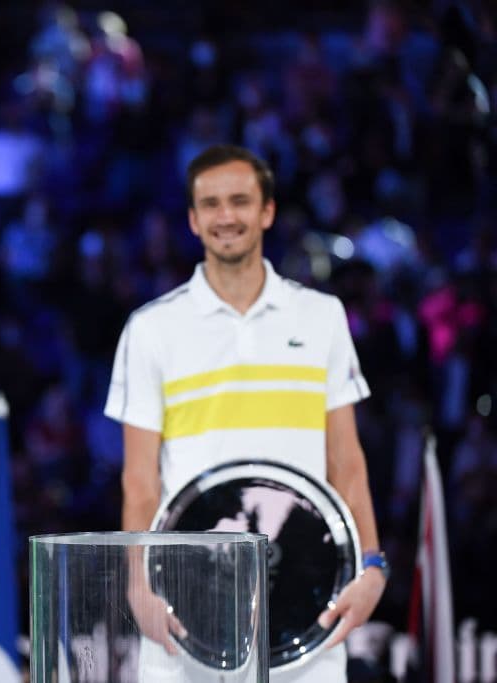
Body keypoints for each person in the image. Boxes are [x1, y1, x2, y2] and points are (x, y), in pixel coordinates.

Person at [105, 144, 387, 682]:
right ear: (192, 219)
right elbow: (139, 479)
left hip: (308, 596)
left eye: (239, 201)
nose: (226, 216)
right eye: (210, 204)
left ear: (267, 211)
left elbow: (347, 460)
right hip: (184, 604)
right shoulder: (151, 328)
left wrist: (371, 566)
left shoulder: (322, 316)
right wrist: (138, 584)